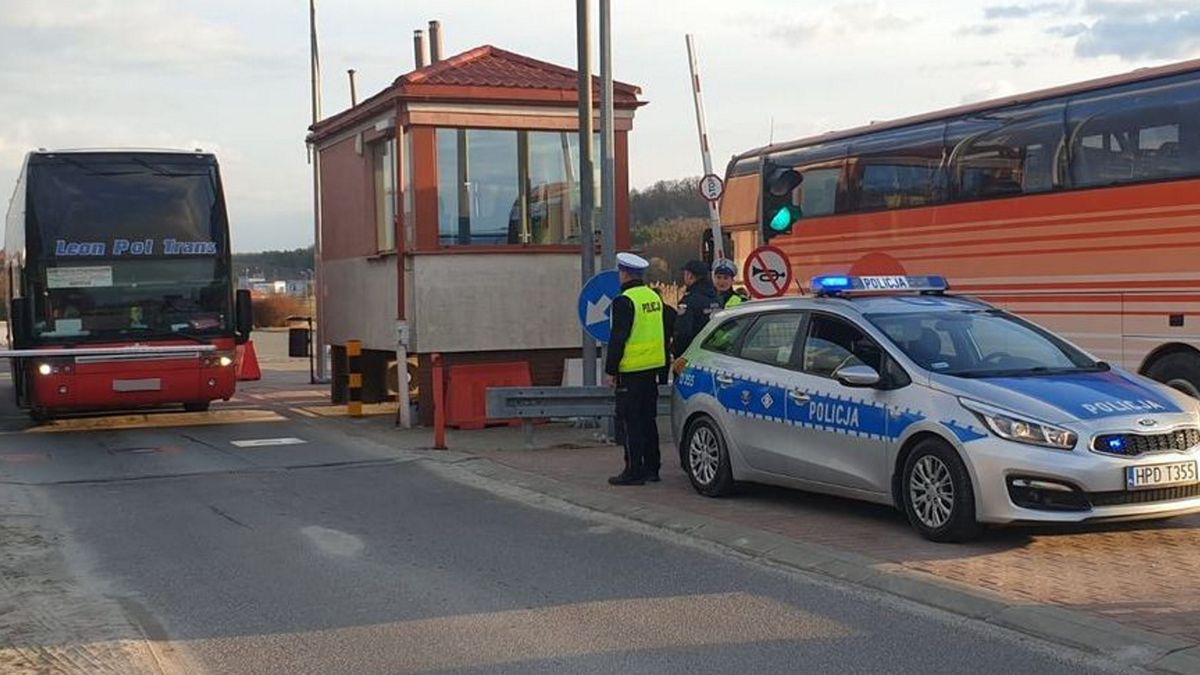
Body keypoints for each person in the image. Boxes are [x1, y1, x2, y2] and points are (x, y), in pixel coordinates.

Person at [605, 252, 668, 486]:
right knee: (648, 420)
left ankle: (633, 470)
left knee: (630, 423)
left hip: (630, 370)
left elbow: (618, 338)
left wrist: (611, 370)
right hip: (651, 369)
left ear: (623, 273)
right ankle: (652, 468)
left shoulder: (624, 301)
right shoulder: (653, 297)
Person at [672, 259, 722, 359]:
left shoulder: (689, 301)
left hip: (692, 354)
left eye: (685, 274)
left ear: (690, 276)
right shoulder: (717, 298)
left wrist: (677, 353)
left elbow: (683, 332)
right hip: (714, 351)